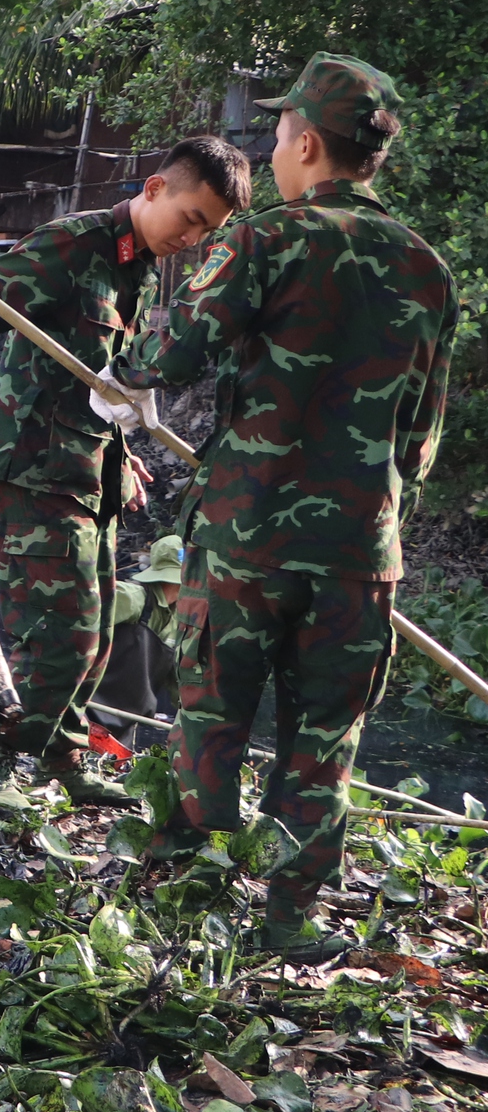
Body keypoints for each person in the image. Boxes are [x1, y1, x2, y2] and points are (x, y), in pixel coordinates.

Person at [108, 55, 456, 962]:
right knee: (323, 744)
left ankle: (183, 901)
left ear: (307, 141)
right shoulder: (428, 269)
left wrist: (127, 372)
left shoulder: (266, 238)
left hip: (246, 539)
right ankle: (289, 923)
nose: (270, 147)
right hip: (358, 555)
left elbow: (177, 354)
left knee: (212, 718)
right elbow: (421, 438)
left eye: (277, 133)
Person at [0, 136, 252, 810]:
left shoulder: (137, 270)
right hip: (34, 467)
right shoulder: (75, 244)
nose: (194, 238)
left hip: (91, 470)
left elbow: (98, 381)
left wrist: (124, 450)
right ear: (153, 190)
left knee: (98, 630)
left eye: (210, 231)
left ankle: (64, 756)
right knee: (65, 633)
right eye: (192, 218)